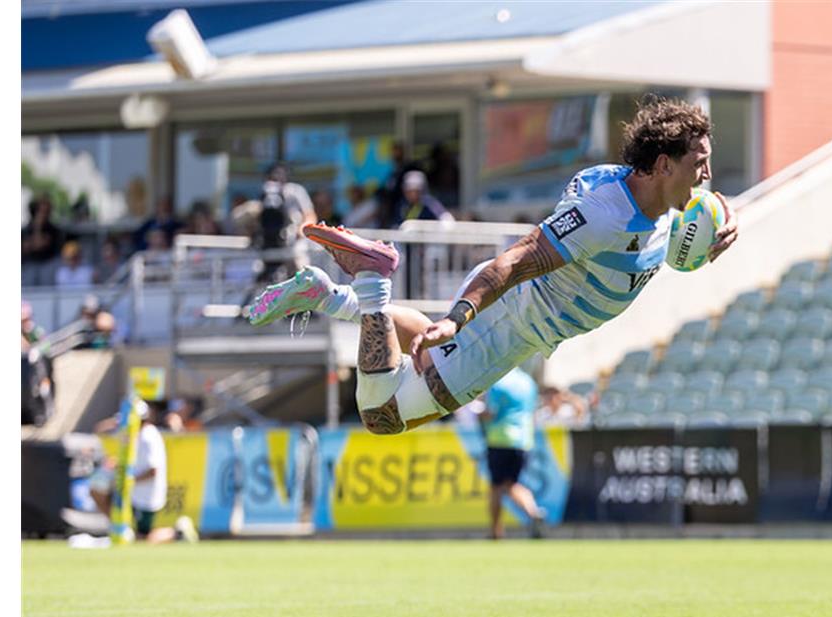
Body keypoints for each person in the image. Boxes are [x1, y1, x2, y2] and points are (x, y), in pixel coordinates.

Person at [246, 97, 738, 436]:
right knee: (382, 416)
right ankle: (371, 279)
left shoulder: (652, 203)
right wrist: (460, 318)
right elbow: (517, 260)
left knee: (418, 340)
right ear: (663, 165)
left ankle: (325, 295)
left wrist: (707, 237)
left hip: (522, 328)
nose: (707, 174)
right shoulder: (603, 214)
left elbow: (654, 249)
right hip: (508, 326)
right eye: (700, 162)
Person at [92, 401, 196, 543]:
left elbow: (153, 470)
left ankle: (176, 532)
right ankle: (121, 529)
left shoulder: (148, 437)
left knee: (142, 539)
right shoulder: (134, 435)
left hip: (146, 497)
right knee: (98, 491)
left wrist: (130, 481)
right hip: (133, 494)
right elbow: (99, 429)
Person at [479, 367, 547, 540]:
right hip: (524, 440)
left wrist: (477, 415)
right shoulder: (528, 382)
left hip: (500, 438)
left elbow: (490, 412)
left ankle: (496, 531)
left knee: (497, 486)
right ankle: (533, 512)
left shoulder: (498, 381)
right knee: (512, 483)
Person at [22, 195, 66, 287]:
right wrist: (37, 226)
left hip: (48, 264)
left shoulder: (53, 230)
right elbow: (27, 247)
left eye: (46, 211)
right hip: (29, 264)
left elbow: (39, 245)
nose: (44, 214)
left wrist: (38, 228)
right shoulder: (26, 229)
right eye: (40, 211)